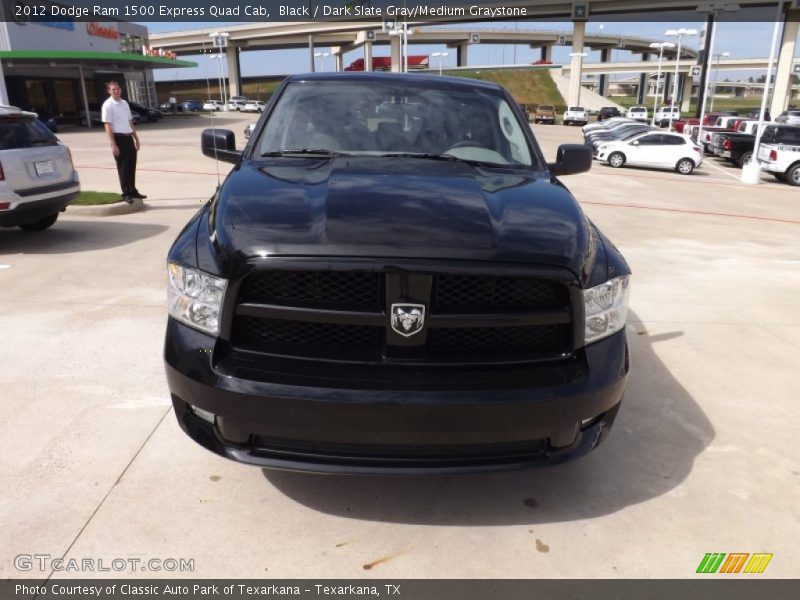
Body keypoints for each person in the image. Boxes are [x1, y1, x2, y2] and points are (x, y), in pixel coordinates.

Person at [101, 81, 146, 203]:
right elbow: (107, 125)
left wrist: (136, 139)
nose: (116, 91)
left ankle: (133, 190)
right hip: (118, 138)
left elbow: (130, 122)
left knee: (131, 165)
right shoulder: (107, 105)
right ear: (109, 91)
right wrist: (113, 144)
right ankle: (126, 192)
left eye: (118, 89)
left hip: (128, 137)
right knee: (123, 167)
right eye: (113, 89)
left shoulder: (124, 103)